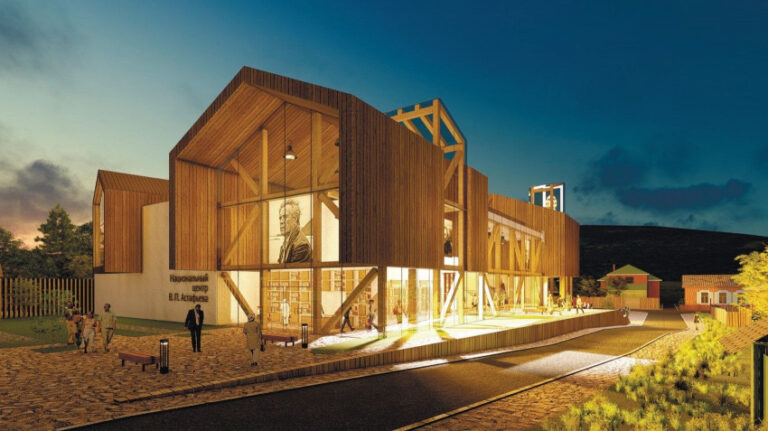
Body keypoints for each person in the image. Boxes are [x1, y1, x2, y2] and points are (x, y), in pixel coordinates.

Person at [277, 200, 312, 264]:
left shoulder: (301, 245)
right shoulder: (286, 243)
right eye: (280, 218)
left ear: (295, 219)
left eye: (285, 217)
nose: (281, 221)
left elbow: (294, 270)